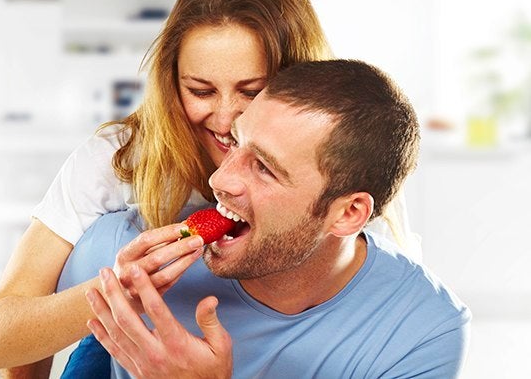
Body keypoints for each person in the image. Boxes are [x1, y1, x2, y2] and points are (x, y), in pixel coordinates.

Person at [0, 0, 335, 377]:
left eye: (253, 91)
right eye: (200, 91)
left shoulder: (341, 171)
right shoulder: (120, 159)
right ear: (170, 81)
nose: (226, 119)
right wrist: (123, 290)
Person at [60, 60, 471, 378]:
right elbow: (7, 342)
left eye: (264, 168)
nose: (219, 179)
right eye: (236, 142)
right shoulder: (128, 250)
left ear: (348, 213)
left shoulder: (422, 333)